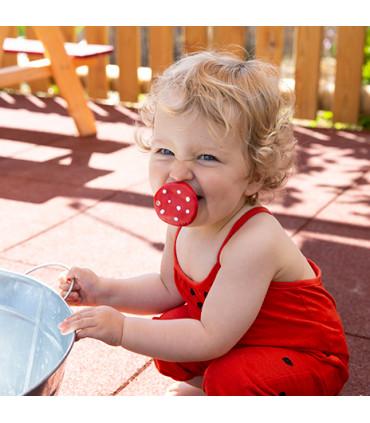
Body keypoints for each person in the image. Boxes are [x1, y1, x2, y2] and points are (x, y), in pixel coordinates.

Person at [58, 51, 349, 396]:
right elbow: (169, 289)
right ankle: (213, 388)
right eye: (165, 151)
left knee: (228, 374)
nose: (178, 173)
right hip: (241, 340)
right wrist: (102, 290)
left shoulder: (254, 241)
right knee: (168, 332)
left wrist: (122, 329)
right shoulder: (184, 222)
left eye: (206, 157)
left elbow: (210, 336)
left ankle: (225, 390)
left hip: (304, 356)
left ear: (255, 175)